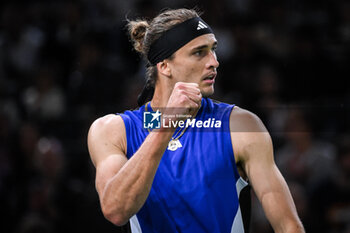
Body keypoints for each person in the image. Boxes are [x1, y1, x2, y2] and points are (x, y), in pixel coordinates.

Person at [87, 8, 304, 233]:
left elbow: (289, 226)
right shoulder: (112, 130)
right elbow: (115, 210)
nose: (214, 62)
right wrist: (167, 124)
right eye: (199, 52)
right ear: (164, 66)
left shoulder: (240, 126)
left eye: (213, 50)